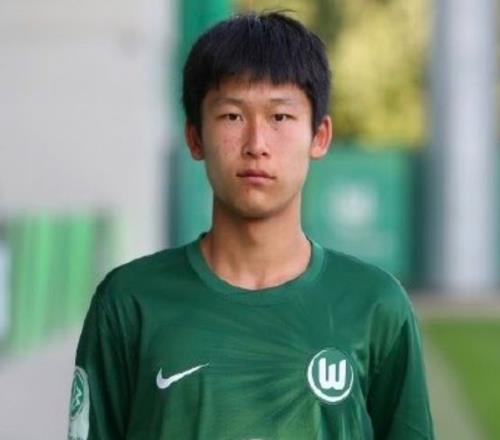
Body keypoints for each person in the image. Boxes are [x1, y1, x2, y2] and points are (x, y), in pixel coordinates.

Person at [67, 12, 434, 440]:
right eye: (232, 116)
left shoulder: (376, 304)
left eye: (280, 117)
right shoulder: (129, 301)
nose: (257, 144)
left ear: (319, 136)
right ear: (195, 137)